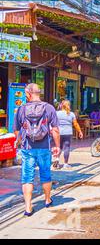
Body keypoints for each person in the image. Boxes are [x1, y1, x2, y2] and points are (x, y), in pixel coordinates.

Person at [13, 83, 60, 217]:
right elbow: (55, 130)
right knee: (45, 174)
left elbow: (16, 130)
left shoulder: (21, 109)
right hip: (45, 147)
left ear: (28, 94)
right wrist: (57, 146)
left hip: (28, 148)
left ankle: (28, 207)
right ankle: (47, 200)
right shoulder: (49, 108)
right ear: (39, 93)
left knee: (27, 177)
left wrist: (21, 142)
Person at [56, 100, 83, 169]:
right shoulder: (71, 114)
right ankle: (65, 164)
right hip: (68, 133)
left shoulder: (57, 113)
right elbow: (75, 124)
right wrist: (80, 131)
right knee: (66, 148)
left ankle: (57, 161)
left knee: (59, 147)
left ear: (61, 105)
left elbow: (53, 122)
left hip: (59, 133)